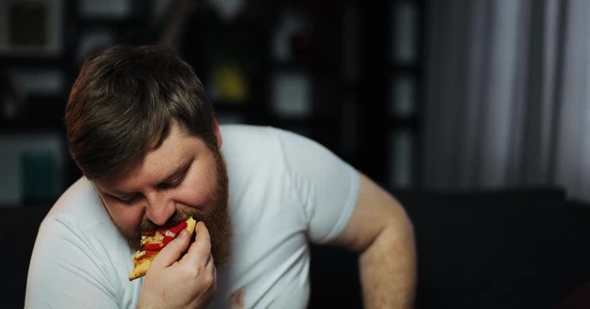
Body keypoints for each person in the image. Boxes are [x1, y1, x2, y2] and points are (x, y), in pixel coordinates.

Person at [24, 44, 417, 308]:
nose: (160, 215)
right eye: (126, 198)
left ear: (213, 134)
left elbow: (386, 227)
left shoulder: (280, 163)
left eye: (174, 179)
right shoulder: (68, 247)